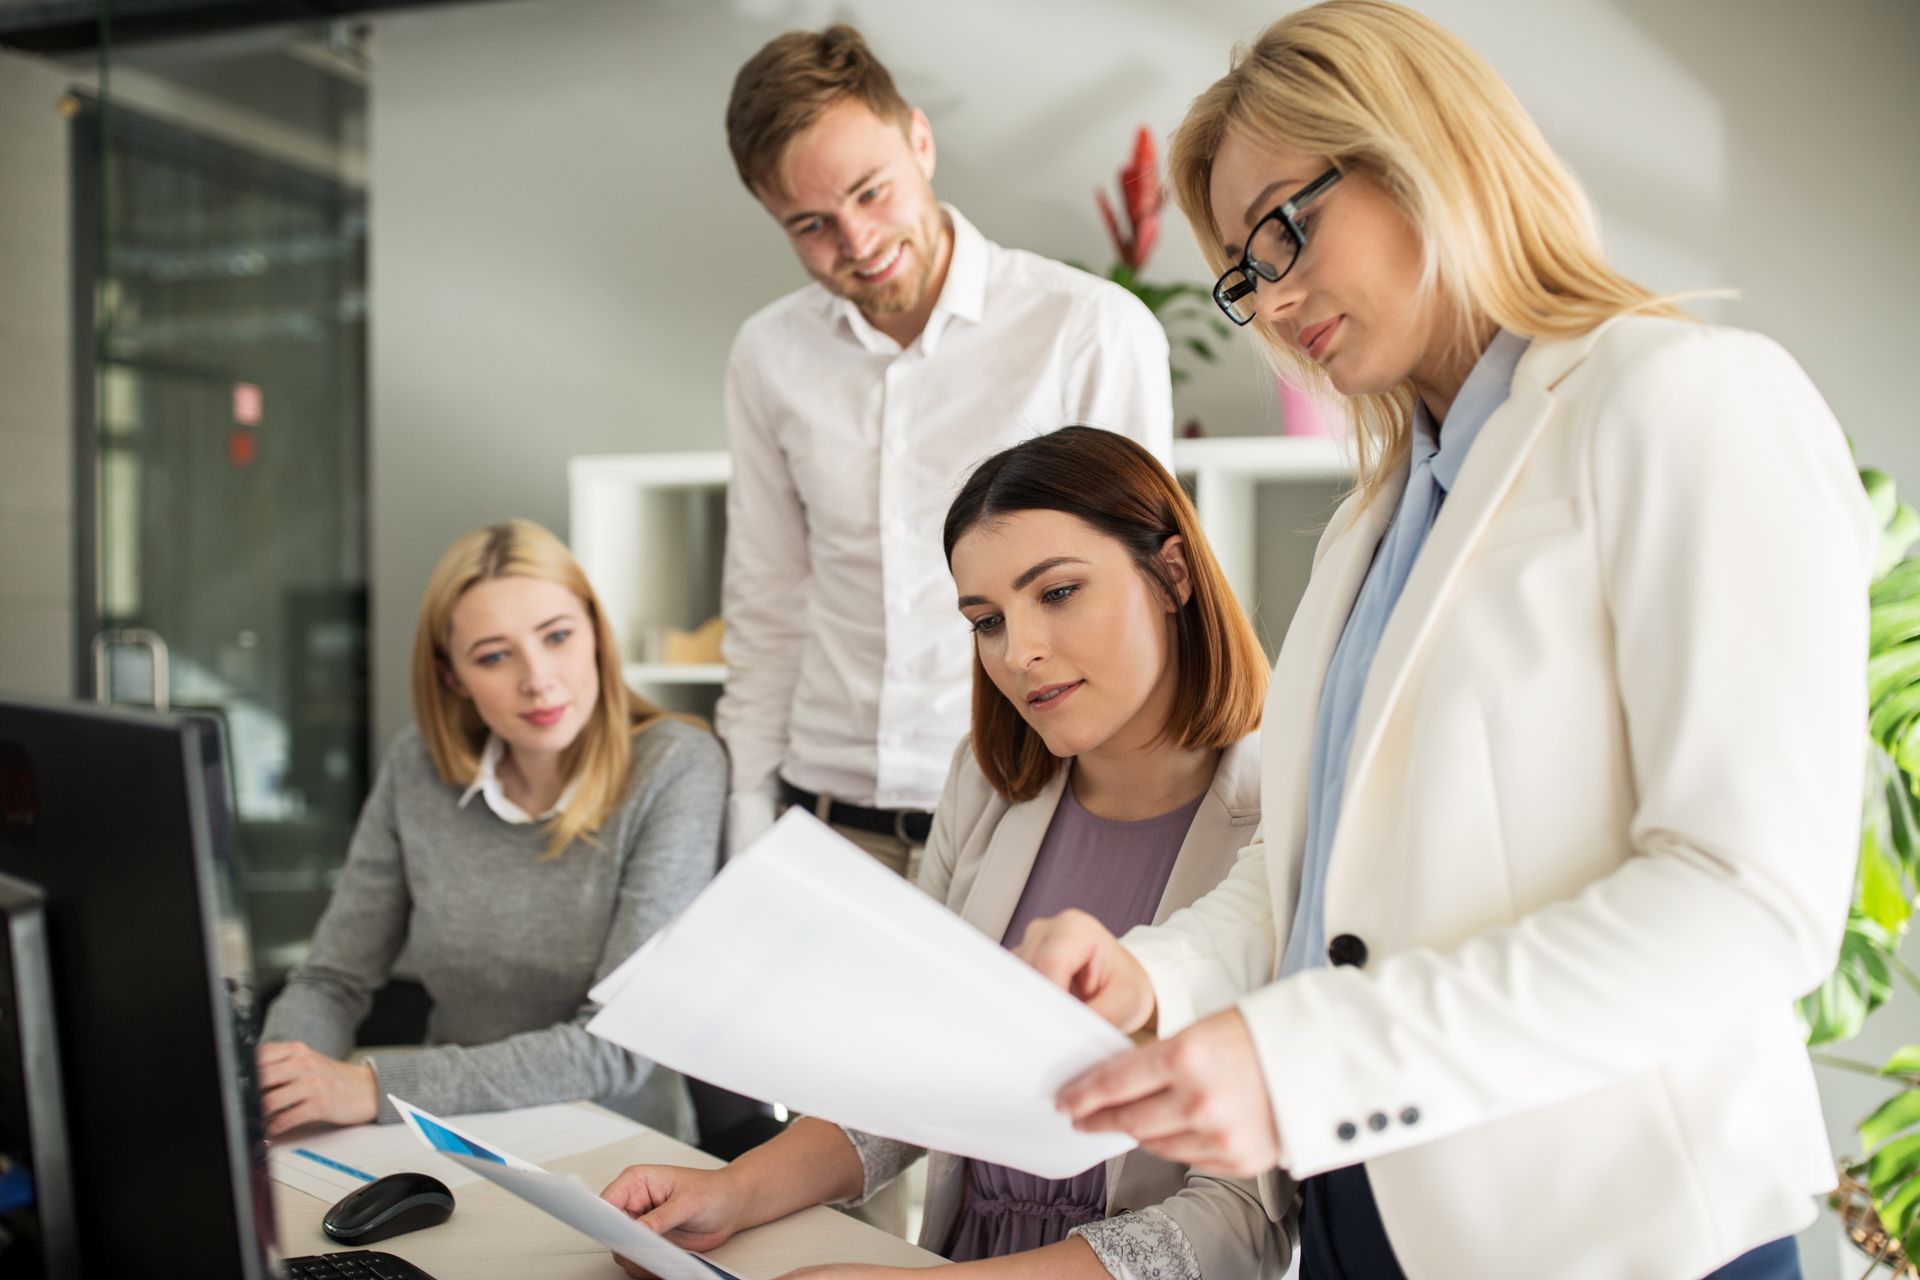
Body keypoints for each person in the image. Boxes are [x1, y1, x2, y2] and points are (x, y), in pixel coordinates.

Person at [1014, 4, 1879, 1279]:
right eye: (1247, 271)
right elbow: (1316, 887)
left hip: (1611, 1235)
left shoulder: (1682, 402)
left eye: (1289, 228)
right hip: (1370, 1213)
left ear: (1425, 148)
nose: (1275, 295)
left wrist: (1316, 1055)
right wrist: (1150, 976)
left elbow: (1742, 898)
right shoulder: (1371, 520)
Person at [601, 428, 1289, 1279]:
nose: (1019, 651)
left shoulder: (1285, 810)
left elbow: (1244, 1216)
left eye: (1061, 592)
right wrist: (733, 1194)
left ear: (1173, 575)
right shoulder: (990, 785)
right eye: (987, 621)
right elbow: (912, 1074)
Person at [714, 23, 1174, 880]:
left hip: (1023, 819)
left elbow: (1144, 598)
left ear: (919, 141)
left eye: (871, 191)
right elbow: (766, 597)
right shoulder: (767, 357)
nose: (855, 241)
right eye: (810, 224)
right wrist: (745, 815)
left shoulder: (1088, 330)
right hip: (821, 824)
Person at [258, 519, 726, 1140]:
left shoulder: (677, 766)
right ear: (453, 676)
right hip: (441, 1138)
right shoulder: (418, 769)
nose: (537, 679)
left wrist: (373, 1086)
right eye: (495, 656)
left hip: (619, 1155)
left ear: (595, 634)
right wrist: (279, 1086)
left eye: (557, 636)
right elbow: (331, 981)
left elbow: (615, 1046)